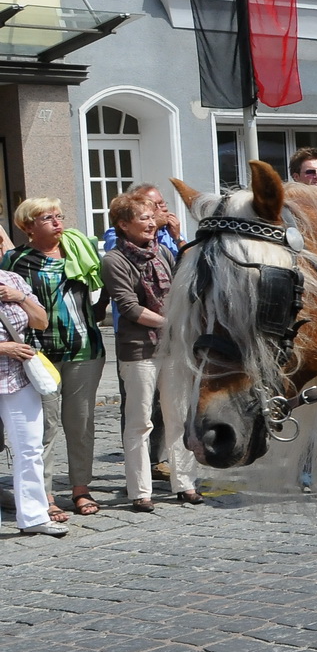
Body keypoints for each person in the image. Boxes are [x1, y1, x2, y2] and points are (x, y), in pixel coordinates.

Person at [4, 199, 106, 521]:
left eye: (59, 216)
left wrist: (100, 311)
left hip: (84, 348)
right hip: (39, 353)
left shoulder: (78, 250)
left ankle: (80, 488)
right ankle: (45, 494)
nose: (57, 222)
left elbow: (102, 283)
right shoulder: (16, 260)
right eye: (47, 217)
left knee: (81, 423)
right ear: (28, 226)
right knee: (45, 427)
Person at [99, 193, 200, 511]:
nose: (151, 222)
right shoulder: (114, 260)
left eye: (151, 217)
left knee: (178, 416)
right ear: (123, 224)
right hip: (138, 349)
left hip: (170, 346)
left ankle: (185, 483)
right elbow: (129, 307)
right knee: (140, 422)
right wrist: (172, 322)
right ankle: (140, 491)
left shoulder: (162, 253)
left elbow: (184, 285)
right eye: (143, 218)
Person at [1, 265, 59, 535]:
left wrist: (20, 297)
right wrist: (3, 347)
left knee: (30, 448)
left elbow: (41, 322)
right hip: (8, 361)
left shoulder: (12, 279)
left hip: (17, 377)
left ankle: (34, 517)